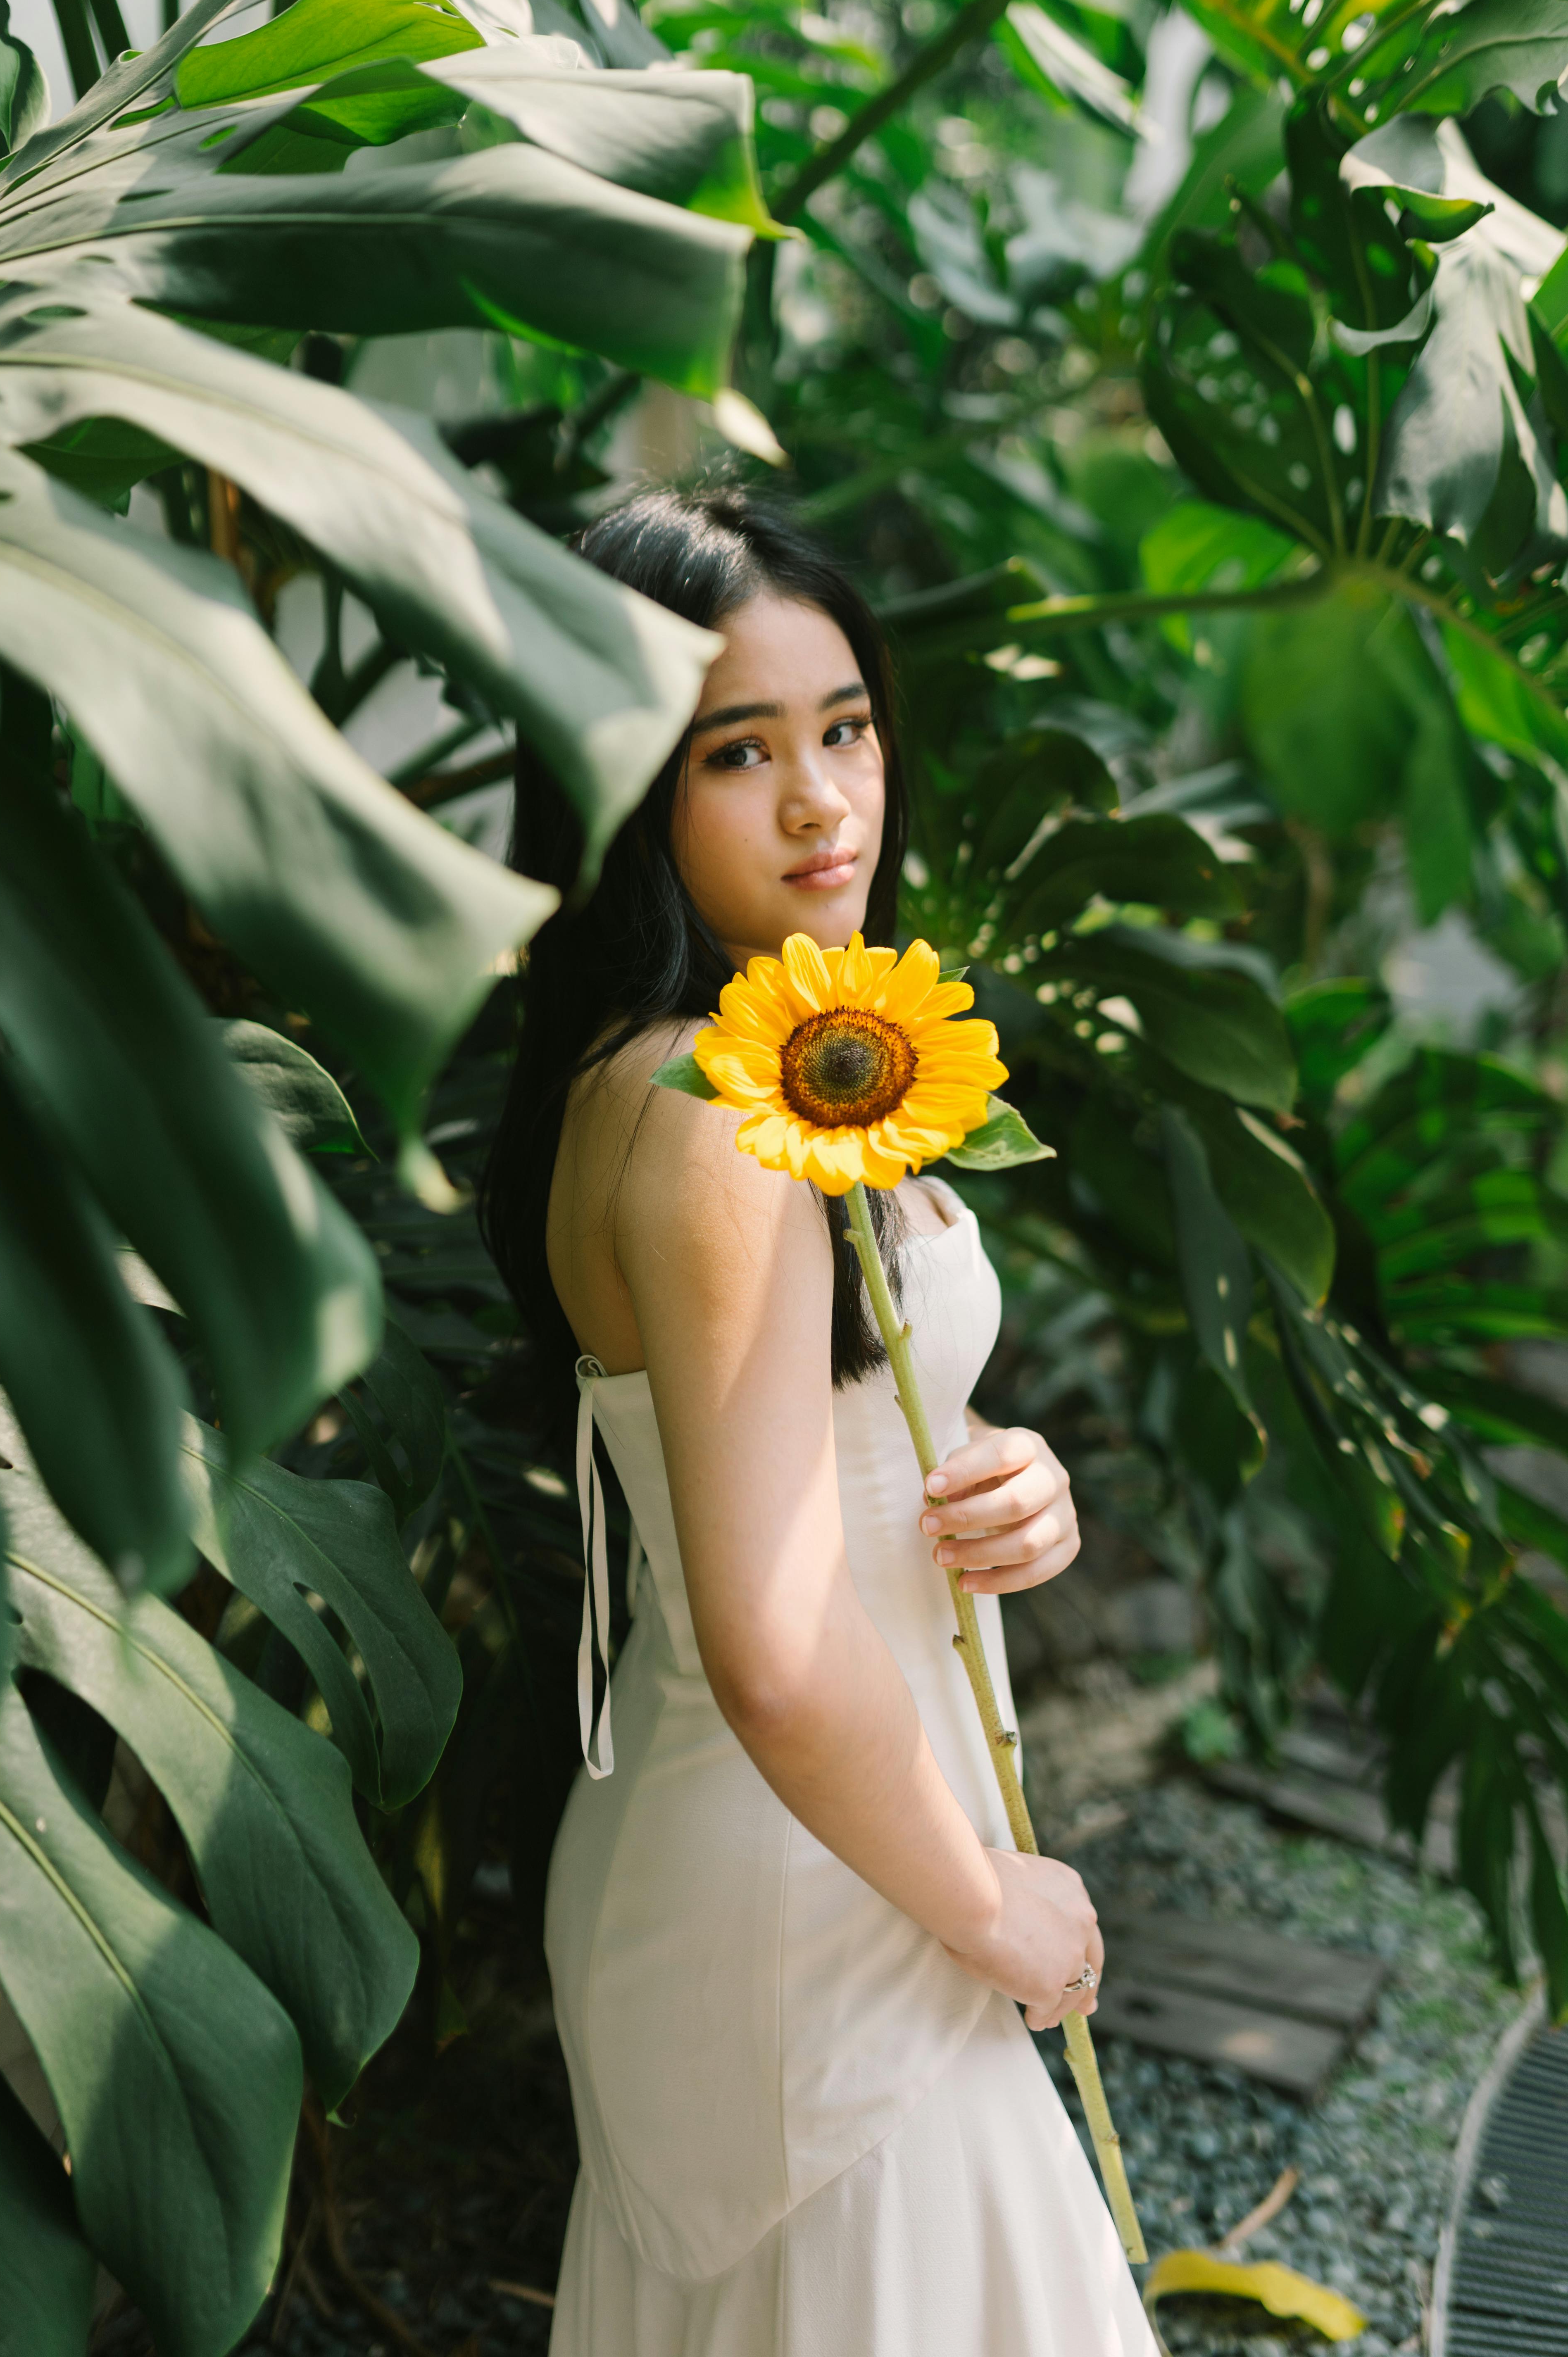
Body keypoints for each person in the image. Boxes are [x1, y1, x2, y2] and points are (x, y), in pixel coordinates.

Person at [481, 485, 1157, 2355]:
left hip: (776, 1858)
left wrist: (1005, 1478)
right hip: (831, 1896)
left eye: (845, 728)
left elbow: (803, 1445)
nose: (822, 802)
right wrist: (989, 1911)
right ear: (630, 784)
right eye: (739, 753)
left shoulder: (668, 1073)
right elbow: (774, 1645)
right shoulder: (713, 1124)